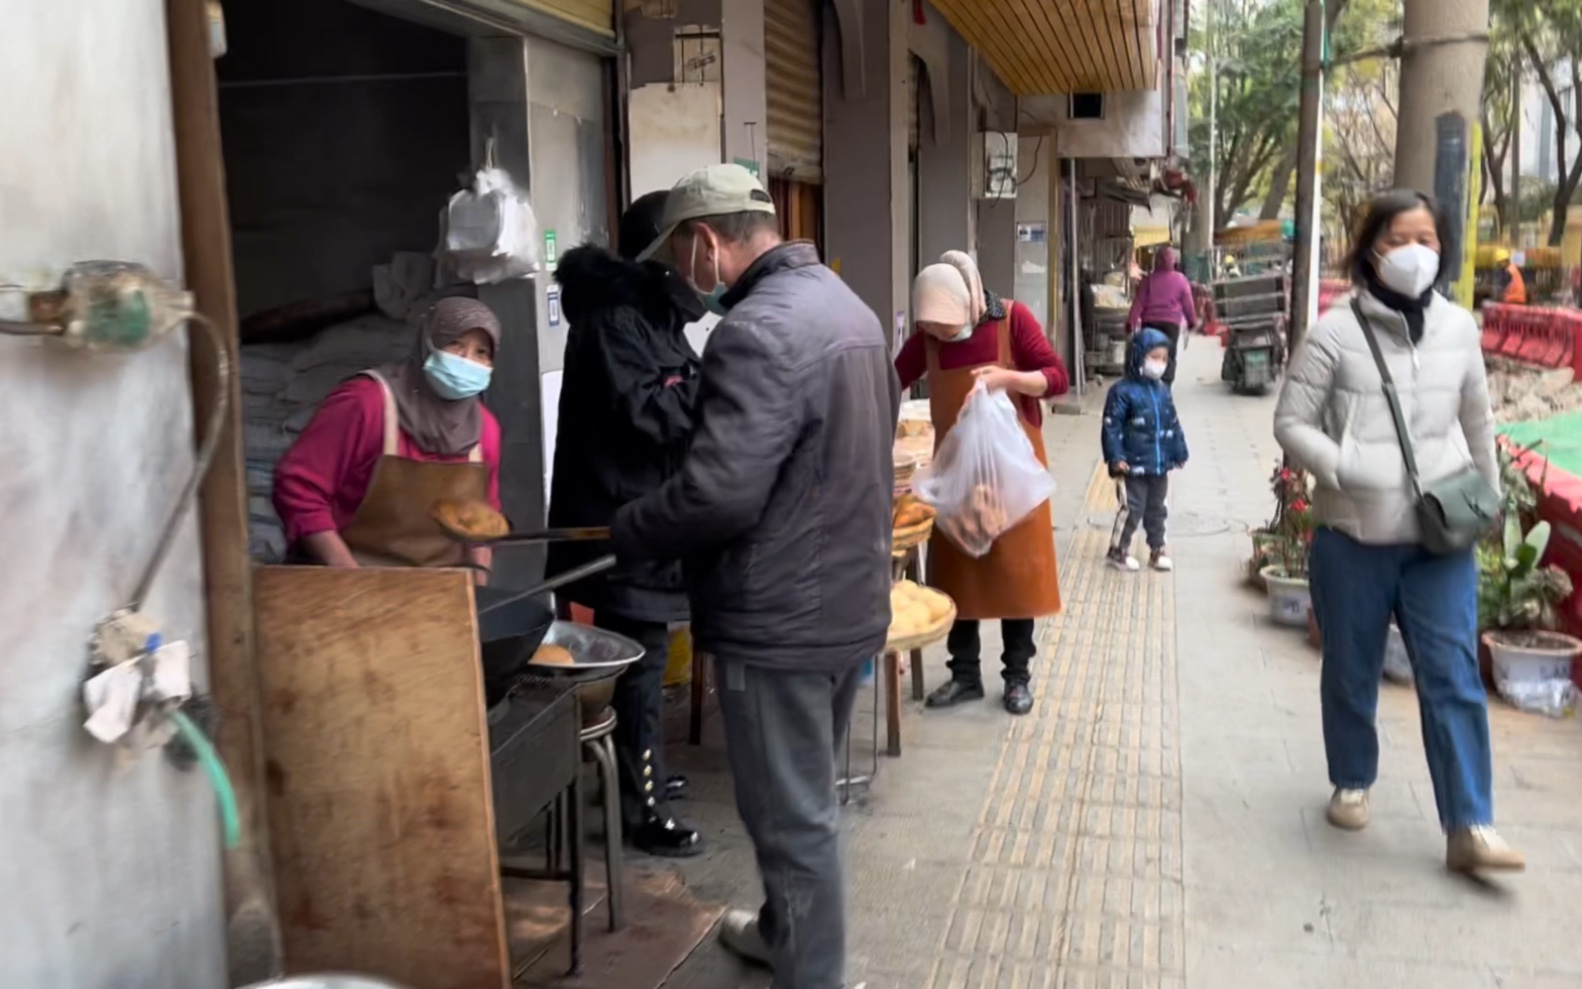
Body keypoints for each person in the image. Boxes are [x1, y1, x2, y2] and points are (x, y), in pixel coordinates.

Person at [613, 163, 899, 987]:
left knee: (792, 820)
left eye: (680, 256)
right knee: (804, 802)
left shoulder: (754, 330)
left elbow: (717, 494)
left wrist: (634, 525)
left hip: (778, 622)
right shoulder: (850, 309)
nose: (684, 276)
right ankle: (783, 931)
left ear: (706, 243)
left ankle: (812, 971)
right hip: (845, 605)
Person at [1274, 189, 1523, 875]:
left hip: (1439, 536)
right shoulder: (1333, 332)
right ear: (1371, 248)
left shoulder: (1459, 329)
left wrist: (1491, 498)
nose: (1416, 252)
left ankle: (1470, 822)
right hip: (1351, 536)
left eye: (1428, 238)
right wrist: (1343, 465)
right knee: (1351, 670)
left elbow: (1477, 421)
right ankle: (1353, 776)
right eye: (1398, 238)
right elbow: (1290, 422)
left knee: (1452, 675)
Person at [548, 190, 707, 858]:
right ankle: (641, 810)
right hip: (616, 522)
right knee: (639, 664)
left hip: (642, 517)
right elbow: (654, 413)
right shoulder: (617, 319)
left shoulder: (651, 315)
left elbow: (679, 394)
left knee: (642, 660)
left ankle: (642, 773)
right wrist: (708, 388)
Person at [894, 252, 1067, 716]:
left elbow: (1057, 378)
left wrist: (1007, 379)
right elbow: (891, 378)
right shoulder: (927, 338)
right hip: (957, 480)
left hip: (1013, 478)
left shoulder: (1012, 320)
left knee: (1016, 577)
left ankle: (1016, 677)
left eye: (947, 329)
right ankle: (964, 675)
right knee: (957, 578)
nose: (942, 338)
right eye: (933, 331)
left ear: (969, 302)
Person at [274, 297, 502, 576]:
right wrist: (350, 577)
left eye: (481, 352)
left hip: (434, 596)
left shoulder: (484, 431)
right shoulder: (366, 403)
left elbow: (480, 528)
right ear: (427, 343)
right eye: (455, 343)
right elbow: (298, 488)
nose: (467, 360)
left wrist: (479, 596)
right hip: (346, 584)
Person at [1102, 328, 1188, 572]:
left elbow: (1173, 422)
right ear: (1138, 356)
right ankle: (1118, 549)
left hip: (1158, 463)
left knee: (1158, 507)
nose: (1159, 363)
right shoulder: (1121, 392)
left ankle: (1157, 548)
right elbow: (1112, 426)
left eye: (1163, 358)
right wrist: (1116, 457)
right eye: (1154, 357)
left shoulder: (1162, 391)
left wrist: (1178, 451)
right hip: (1131, 465)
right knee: (1132, 507)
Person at [1126, 246, 1198, 388]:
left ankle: (1150, 384)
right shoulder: (1181, 280)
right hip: (1171, 325)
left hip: (1150, 323)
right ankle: (1165, 385)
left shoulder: (1148, 280)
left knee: (1149, 354)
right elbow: (1188, 303)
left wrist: (1131, 322)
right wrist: (1192, 321)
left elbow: (1139, 302)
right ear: (1173, 262)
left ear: (1156, 262)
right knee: (1169, 356)